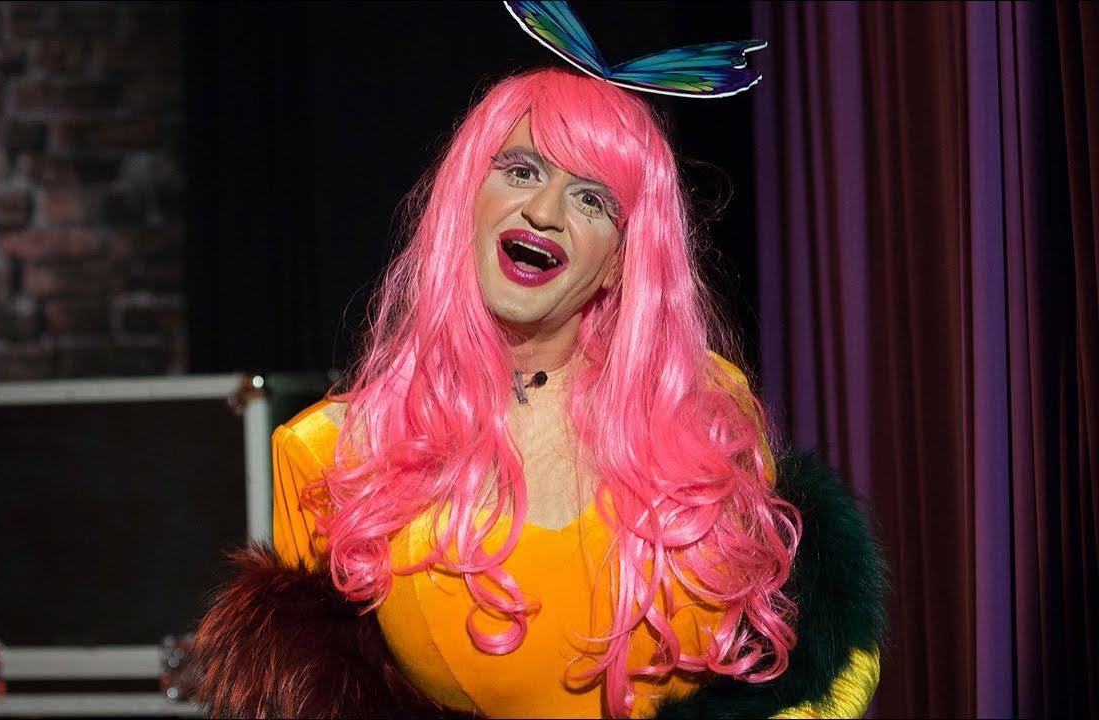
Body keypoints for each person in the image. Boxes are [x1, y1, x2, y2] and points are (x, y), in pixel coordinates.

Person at [194, 68, 884, 719]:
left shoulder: (702, 407)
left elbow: (824, 660)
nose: (545, 211)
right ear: (466, 202)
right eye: (522, 171)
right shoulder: (332, 453)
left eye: (592, 199)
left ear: (620, 259)